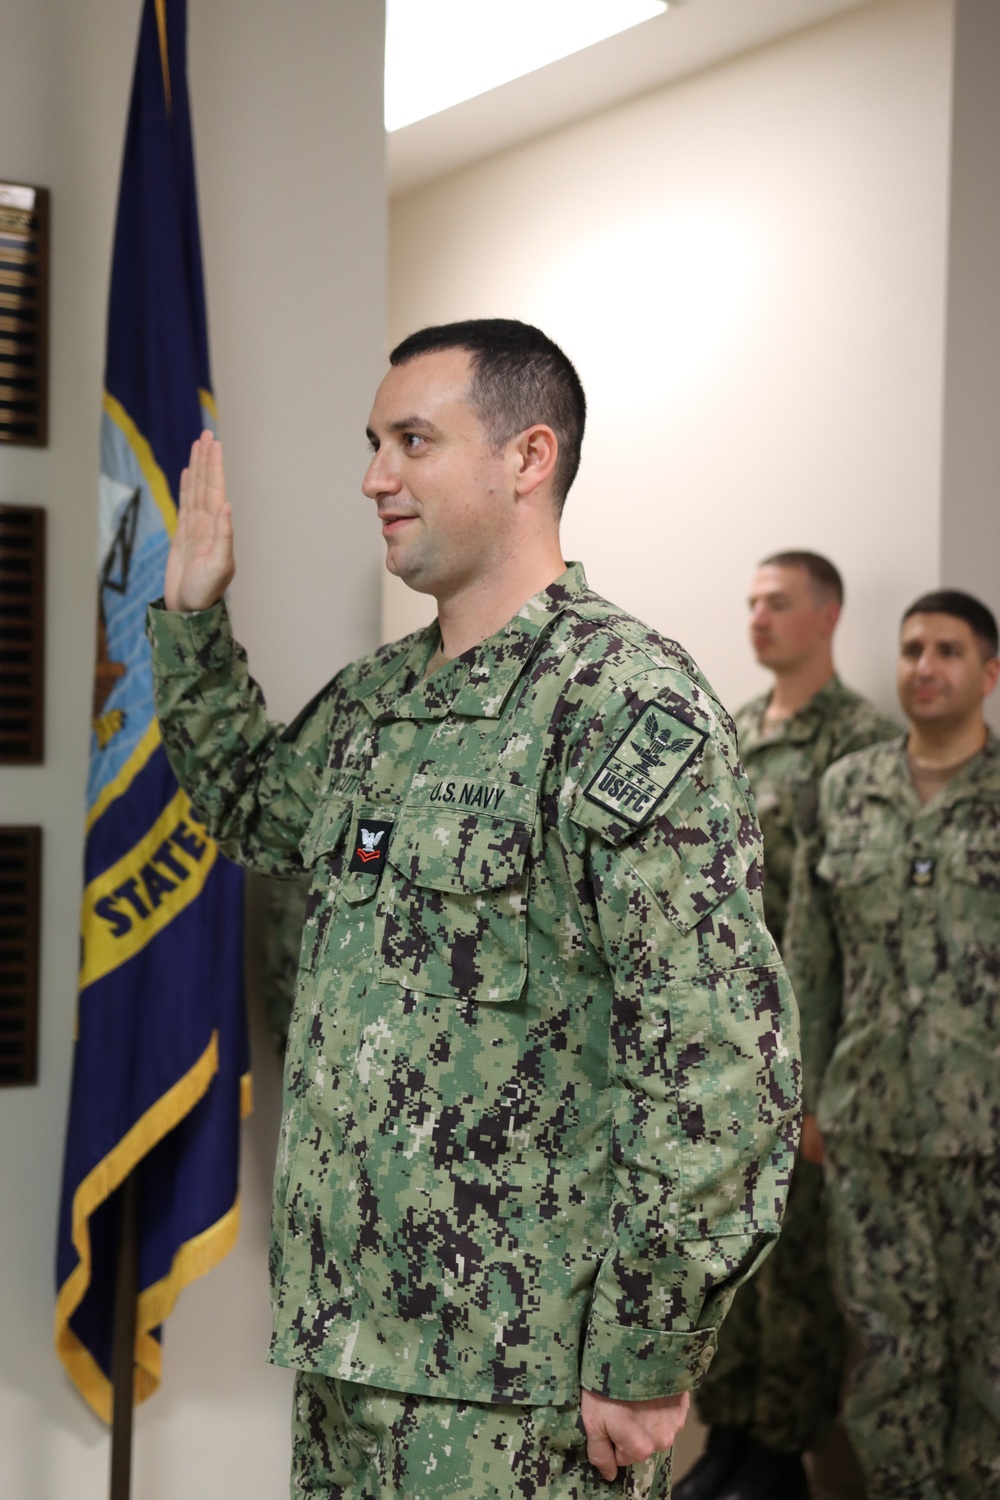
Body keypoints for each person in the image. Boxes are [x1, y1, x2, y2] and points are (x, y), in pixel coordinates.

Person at [147, 319, 799, 1499]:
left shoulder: (621, 702)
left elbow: (716, 1062)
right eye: (372, 443)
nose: (374, 476)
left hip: (519, 1382)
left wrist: (646, 1352)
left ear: (526, 457)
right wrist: (191, 620)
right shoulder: (381, 700)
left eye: (411, 440)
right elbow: (249, 807)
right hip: (350, 1346)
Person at [679, 552, 897, 1500]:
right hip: (725, 1049)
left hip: (806, 1040)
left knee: (797, 1259)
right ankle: (727, 1435)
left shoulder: (863, 744)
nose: (760, 618)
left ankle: (778, 1453)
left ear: (828, 616)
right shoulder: (730, 729)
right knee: (723, 1252)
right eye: (752, 602)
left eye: (780, 603)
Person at [785, 589, 1000, 1499]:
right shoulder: (846, 790)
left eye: (948, 651)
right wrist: (803, 1098)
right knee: (886, 1353)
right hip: (868, 1129)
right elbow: (810, 959)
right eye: (912, 649)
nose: (925, 666)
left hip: (989, 1135)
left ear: (988, 674)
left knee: (990, 1356)